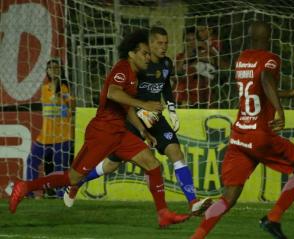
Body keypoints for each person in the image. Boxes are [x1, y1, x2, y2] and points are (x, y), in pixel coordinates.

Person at [9, 29, 190, 228]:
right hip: (102, 132)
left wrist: (142, 129)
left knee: (153, 165)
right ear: (132, 53)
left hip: (119, 132)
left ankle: (163, 214)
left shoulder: (134, 75)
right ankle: (25, 186)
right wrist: (144, 104)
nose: (148, 58)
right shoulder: (122, 68)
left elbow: (126, 107)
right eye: (145, 53)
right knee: (72, 178)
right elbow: (113, 93)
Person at [183, 21, 294, 239]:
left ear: (250, 37)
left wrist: (290, 94)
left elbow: (259, 88)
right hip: (260, 136)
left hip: (239, 136)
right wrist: (280, 110)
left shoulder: (242, 58)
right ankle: (273, 218)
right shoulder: (271, 59)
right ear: (270, 37)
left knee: (228, 198)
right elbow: (265, 79)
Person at [63, 26, 212, 216]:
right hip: (132, 118)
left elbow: (165, 86)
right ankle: (78, 182)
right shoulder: (139, 64)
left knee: (175, 151)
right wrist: (140, 110)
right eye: (159, 43)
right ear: (149, 45)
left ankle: (193, 202)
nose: (164, 47)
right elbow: (121, 91)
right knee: (112, 163)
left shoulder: (167, 64)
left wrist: (172, 109)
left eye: (166, 43)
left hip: (154, 117)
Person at [26, 59, 74, 198]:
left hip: (62, 136)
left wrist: (63, 100)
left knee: (60, 166)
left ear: (61, 70)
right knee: (32, 160)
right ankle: (31, 192)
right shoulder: (44, 89)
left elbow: (70, 111)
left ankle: (60, 195)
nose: (53, 70)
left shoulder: (66, 88)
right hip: (45, 136)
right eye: (50, 68)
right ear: (47, 71)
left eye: (56, 68)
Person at [174, 27, 214, 108]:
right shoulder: (179, 57)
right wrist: (185, 57)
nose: (191, 43)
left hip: (199, 98)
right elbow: (175, 76)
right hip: (181, 98)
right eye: (188, 40)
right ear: (184, 42)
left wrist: (197, 56)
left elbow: (213, 64)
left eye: (193, 40)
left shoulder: (204, 55)